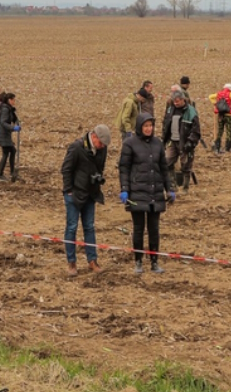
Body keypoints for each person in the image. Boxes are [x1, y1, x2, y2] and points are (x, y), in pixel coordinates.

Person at [118, 112, 173, 274]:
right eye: (146, 126)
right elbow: (124, 168)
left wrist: (169, 189)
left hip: (155, 193)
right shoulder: (130, 144)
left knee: (154, 229)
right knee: (138, 228)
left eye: (151, 125)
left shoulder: (158, 143)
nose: (149, 129)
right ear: (140, 127)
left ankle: (154, 262)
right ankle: (138, 261)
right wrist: (125, 189)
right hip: (137, 193)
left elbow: (164, 169)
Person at [61, 125, 110, 275]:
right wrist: (69, 190)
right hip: (75, 194)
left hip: (90, 194)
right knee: (72, 227)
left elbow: (100, 168)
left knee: (89, 227)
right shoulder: (77, 147)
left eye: (104, 145)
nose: (102, 147)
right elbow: (66, 169)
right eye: (101, 143)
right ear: (94, 136)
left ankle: (92, 261)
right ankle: (71, 263)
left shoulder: (102, 149)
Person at [162, 91, 201, 192]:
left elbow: (196, 130)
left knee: (185, 165)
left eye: (177, 101)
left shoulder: (191, 112)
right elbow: (165, 124)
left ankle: (185, 187)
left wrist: (190, 142)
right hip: (172, 141)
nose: (176, 103)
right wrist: (164, 139)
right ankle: (173, 184)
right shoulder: (170, 109)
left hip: (184, 142)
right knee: (167, 162)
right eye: (174, 101)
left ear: (183, 99)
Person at [0, 92, 20, 181]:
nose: (14, 102)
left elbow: (13, 117)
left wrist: (17, 121)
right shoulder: (5, 109)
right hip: (3, 134)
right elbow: (3, 122)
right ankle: (0, 174)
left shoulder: (8, 108)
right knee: (6, 153)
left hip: (5, 134)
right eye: (13, 100)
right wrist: (13, 128)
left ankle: (12, 172)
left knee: (12, 151)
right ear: (9, 100)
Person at [208, 83, 231, 154]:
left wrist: (215, 103)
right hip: (229, 115)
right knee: (228, 132)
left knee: (220, 131)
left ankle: (217, 147)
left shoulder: (219, 93)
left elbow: (210, 97)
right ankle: (227, 148)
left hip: (221, 115)